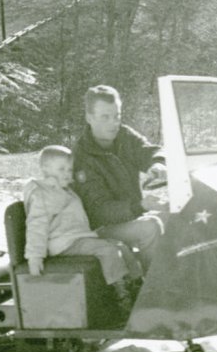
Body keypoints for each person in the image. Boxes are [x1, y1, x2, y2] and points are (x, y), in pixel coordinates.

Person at [22, 145, 141, 311]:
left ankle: (138, 285)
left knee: (120, 246)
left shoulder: (65, 190)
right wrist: (35, 256)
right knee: (108, 251)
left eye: (69, 170)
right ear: (45, 169)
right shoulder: (42, 194)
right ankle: (121, 295)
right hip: (63, 243)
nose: (67, 173)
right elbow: (36, 225)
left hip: (77, 238)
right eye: (61, 169)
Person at [71, 85, 167, 270]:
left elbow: (147, 150)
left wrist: (157, 162)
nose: (114, 123)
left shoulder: (124, 136)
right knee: (150, 227)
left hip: (130, 215)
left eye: (117, 116)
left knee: (178, 214)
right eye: (105, 117)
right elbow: (100, 210)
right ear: (89, 118)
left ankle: (180, 281)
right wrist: (140, 206)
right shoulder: (81, 157)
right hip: (100, 228)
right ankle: (154, 292)